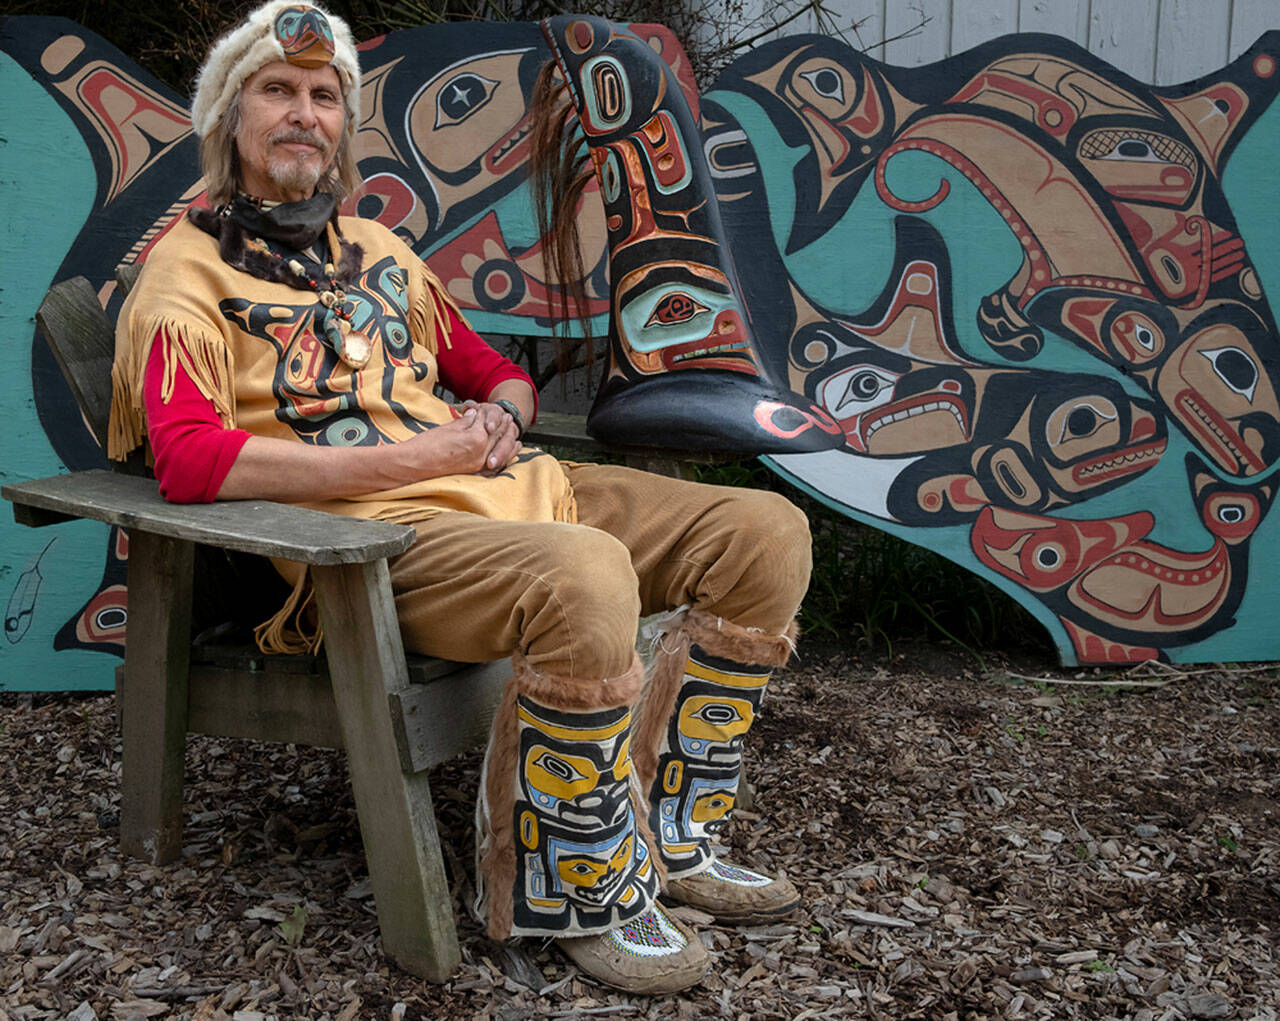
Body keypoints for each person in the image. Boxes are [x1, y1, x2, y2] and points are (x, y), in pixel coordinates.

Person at [109, 0, 812, 995]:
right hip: (371, 543)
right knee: (586, 574)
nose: (303, 112)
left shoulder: (378, 255)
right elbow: (187, 459)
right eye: (276, 92)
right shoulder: (183, 276)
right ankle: (573, 883)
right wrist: (414, 460)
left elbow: (489, 368)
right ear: (229, 119)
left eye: (322, 95)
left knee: (764, 533)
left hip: (509, 491)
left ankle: (668, 833)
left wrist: (503, 417)